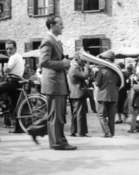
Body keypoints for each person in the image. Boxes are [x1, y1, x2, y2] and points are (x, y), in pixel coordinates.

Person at [27, 16, 77, 150]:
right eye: (60, 24)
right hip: (54, 83)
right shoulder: (48, 41)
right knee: (56, 115)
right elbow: (43, 61)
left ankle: (36, 130)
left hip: (57, 82)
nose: (63, 26)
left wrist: (64, 63)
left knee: (55, 114)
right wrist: (63, 63)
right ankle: (58, 142)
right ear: (52, 25)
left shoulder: (55, 41)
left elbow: (52, 60)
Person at [0, 40, 25, 133]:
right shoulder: (18, 56)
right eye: (7, 48)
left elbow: (7, 70)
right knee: (15, 105)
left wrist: (4, 68)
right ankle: (19, 128)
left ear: (15, 48)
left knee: (14, 104)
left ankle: (2, 106)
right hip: (16, 82)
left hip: (13, 82)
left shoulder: (14, 57)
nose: (8, 50)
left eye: (10, 48)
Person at [96, 51, 120, 138]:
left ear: (106, 60)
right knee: (111, 115)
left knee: (100, 115)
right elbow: (120, 83)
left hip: (103, 94)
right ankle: (111, 133)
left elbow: (97, 83)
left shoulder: (102, 70)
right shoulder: (118, 70)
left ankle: (107, 132)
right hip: (113, 95)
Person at [68, 54, 90, 137]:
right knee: (80, 113)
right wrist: (87, 67)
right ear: (77, 60)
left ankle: (73, 131)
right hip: (78, 93)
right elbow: (85, 76)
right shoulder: (75, 68)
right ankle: (81, 132)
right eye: (82, 60)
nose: (83, 62)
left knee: (75, 113)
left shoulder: (73, 68)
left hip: (74, 93)